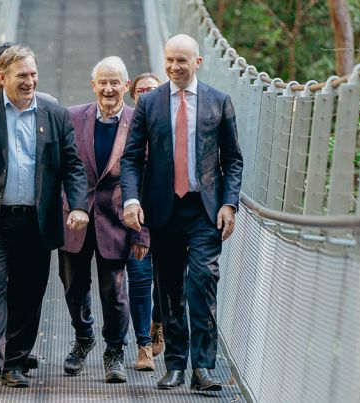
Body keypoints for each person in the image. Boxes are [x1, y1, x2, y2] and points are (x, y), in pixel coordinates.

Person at [0, 45, 89, 389]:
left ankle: (14, 363)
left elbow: (72, 164)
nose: (30, 81)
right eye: (22, 75)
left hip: (36, 221)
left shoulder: (54, 113)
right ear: (1, 77)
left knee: (28, 292)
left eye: (33, 74)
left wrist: (80, 205)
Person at [120, 34, 243, 391]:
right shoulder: (150, 103)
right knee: (170, 288)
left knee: (202, 282)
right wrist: (131, 200)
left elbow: (232, 161)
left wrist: (229, 203)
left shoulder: (219, 101)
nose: (174, 67)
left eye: (182, 61)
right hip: (163, 209)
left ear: (198, 63)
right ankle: (175, 364)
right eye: (169, 60)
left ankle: (203, 368)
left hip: (204, 210)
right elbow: (131, 158)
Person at [58, 56, 150, 383]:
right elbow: (60, 170)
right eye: (103, 82)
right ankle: (83, 338)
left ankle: (114, 352)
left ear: (127, 86)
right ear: (93, 84)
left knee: (115, 293)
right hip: (75, 218)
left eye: (116, 82)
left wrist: (143, 235)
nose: (109, 89)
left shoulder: (139, 121)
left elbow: (146, 181)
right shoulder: (70, 117)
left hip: (117, 220)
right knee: (73, 287)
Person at [124, 72, 166, 363]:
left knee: (168, 282)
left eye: (152, 88)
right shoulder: (123, 126)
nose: (146, 93)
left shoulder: (173, 122)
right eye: (141, 90)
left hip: (168, 219)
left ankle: (158, 324)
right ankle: (143, 346)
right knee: (139, 280)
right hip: (134, 218)